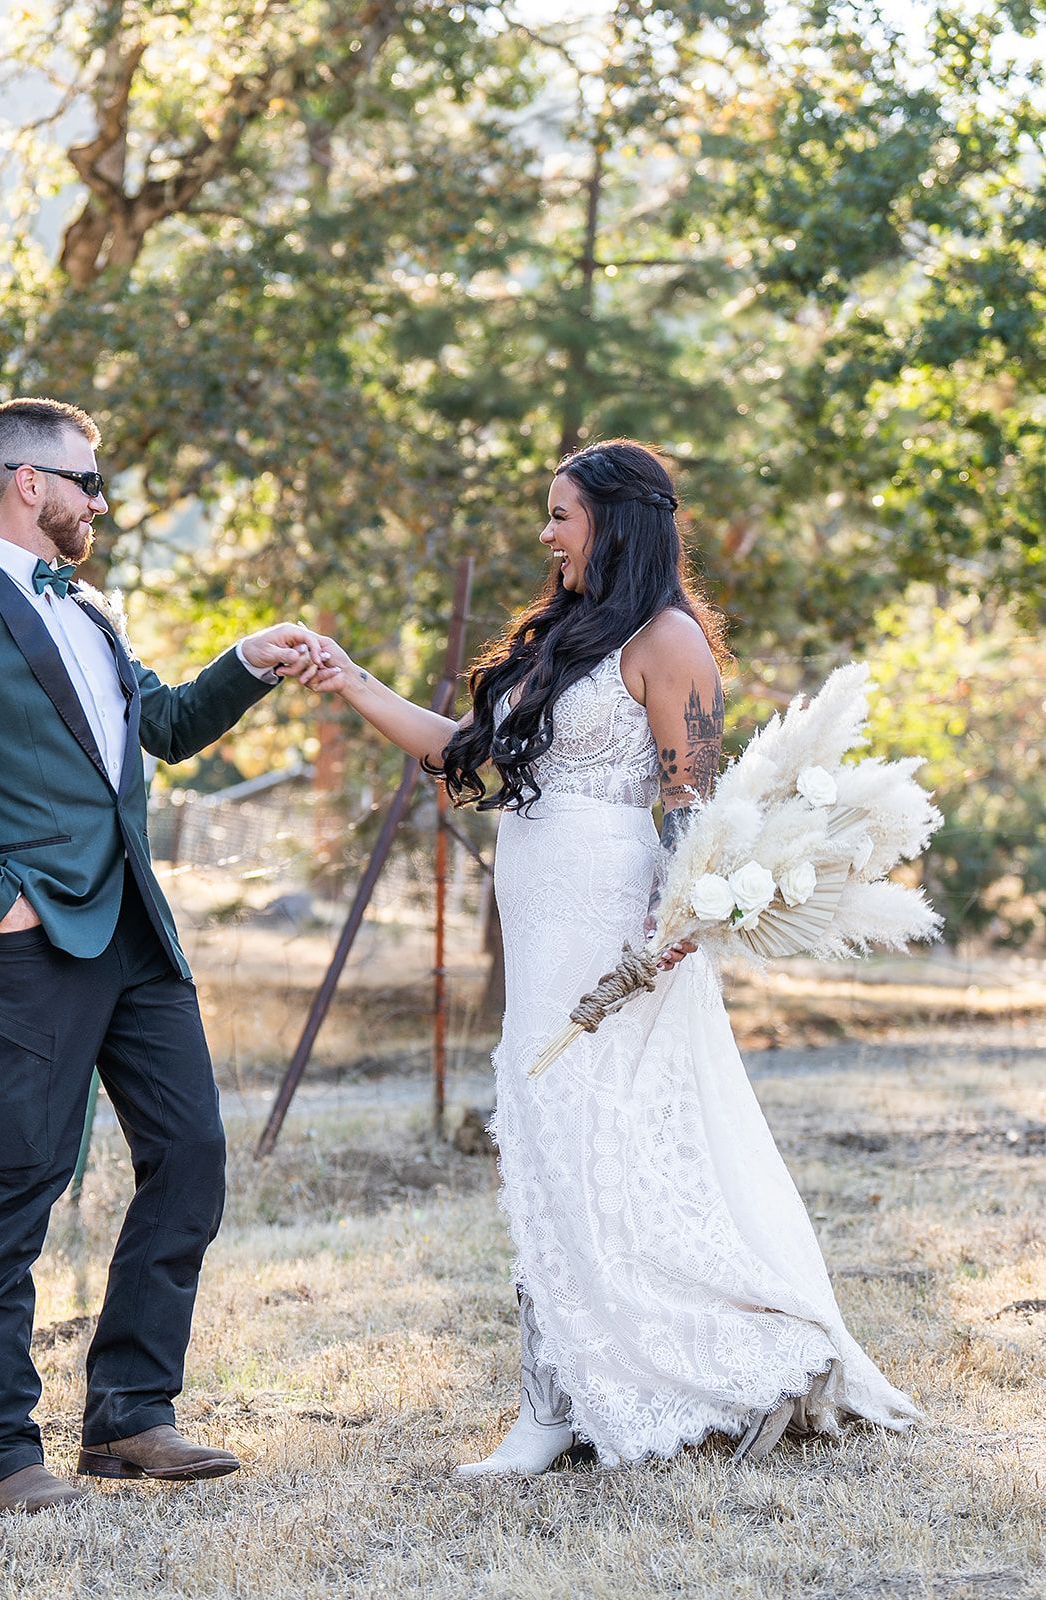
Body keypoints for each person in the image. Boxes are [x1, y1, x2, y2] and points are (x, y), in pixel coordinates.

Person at [307, 439, 921, 1473]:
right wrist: (348, 676)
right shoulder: (563, 634)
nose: (546, 534)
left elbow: (693, 806)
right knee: (547, 1142)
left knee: (610, 1139)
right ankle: (558, 1396)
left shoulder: (670, 640)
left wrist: (672, 936)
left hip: (613, 922)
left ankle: (716, 1365)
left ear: (617, 521)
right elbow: (466, 759)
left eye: (561, 515)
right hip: (540, 907)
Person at [0, 396, 326, 1513]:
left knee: (192, 1156)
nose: (99, 503)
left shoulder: (93, 610)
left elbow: (155, 726)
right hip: (30, 944)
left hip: (136, 937)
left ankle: (130, 1419)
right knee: (20, 1183)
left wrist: (248, 661)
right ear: (29, 483)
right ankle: (3, 1450)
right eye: (87, 483)